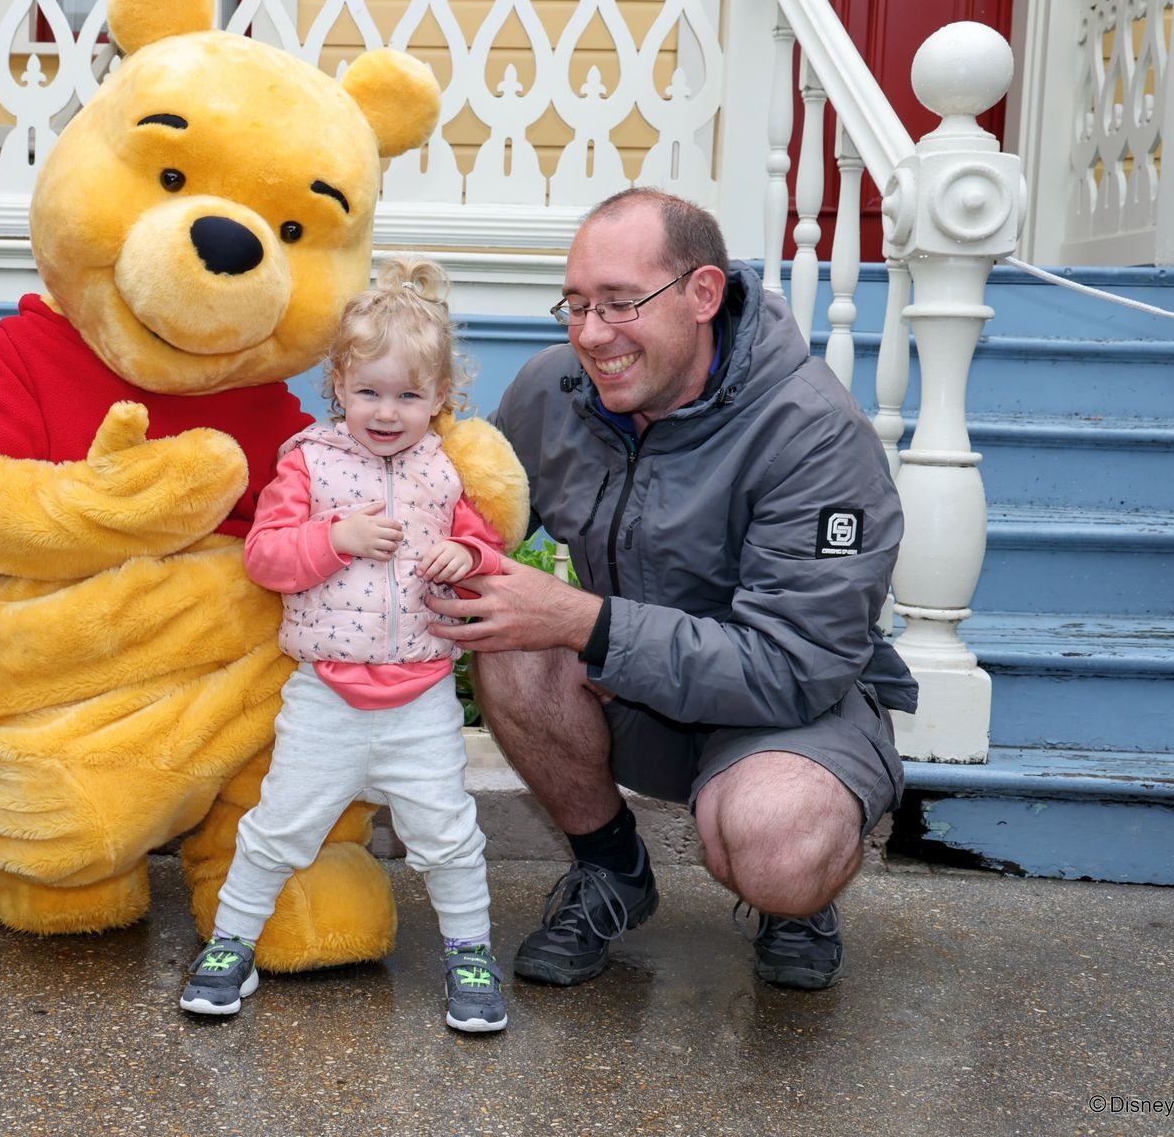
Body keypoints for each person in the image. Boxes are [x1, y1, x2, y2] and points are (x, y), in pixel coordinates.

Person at [426, 188, 915, 992]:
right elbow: (464, 520)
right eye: (577, 305)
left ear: (703, 294)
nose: (591, 334)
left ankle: (793, 900)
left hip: (789, 711)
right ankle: (611, 870)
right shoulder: (553, 393)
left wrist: (593, 625)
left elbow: (795, 666)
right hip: (634, 694)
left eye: (620, 303)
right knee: (505, 623)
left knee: (779, 848)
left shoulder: (814, 432)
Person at [178, 257, 513, 1034]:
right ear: (338, 384)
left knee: (448, 834)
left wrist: (466, 555)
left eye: (409, 396)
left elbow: (487, 548)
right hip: (326, 696)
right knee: (278, 827)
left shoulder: (445, 470)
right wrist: (336, 538)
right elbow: (266, 556)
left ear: (441, 396)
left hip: (421, 698)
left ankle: (470, 954)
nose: (387, 412)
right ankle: (232, 944)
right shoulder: (309, 462)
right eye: (369, 392)